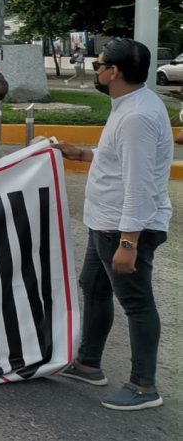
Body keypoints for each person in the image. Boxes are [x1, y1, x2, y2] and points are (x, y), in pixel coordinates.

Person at [54, 39, 173, 411]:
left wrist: (128, 242)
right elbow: (117, 161)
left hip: (123, 228)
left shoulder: (138, 116)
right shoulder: (128, 105)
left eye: (98, 64)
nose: (96, 70)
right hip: (107, 222)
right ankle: (88, 363)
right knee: (93, 286)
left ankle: (143, 386)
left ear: (114, 72)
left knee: (136, 304)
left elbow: (139, 182)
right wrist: (81, 154)